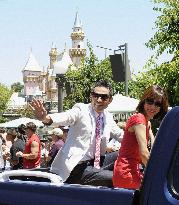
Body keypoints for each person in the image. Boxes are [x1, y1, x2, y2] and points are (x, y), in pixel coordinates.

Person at [30, 80, 124, 187]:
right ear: (91, 96)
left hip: (96, 162)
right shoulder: (81, 110)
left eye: (103, 97)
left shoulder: (107, 116)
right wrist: (46, 118)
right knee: (117, 178)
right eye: (95, 95)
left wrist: (142, 141)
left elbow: (121, 135)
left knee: (126, 154)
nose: (98, 100)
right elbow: (65, 117)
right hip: (77, 167)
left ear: (110, 100)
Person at [112, 85, 168, 189]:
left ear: (161, 107)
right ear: (144, 101)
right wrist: (162, 175)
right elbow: (144, 154)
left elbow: (154, 148)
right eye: (150, 101)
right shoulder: (139, 119)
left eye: (158, 104)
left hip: (131, 171)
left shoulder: (146, 122)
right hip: (127, 173)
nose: (153, 107)